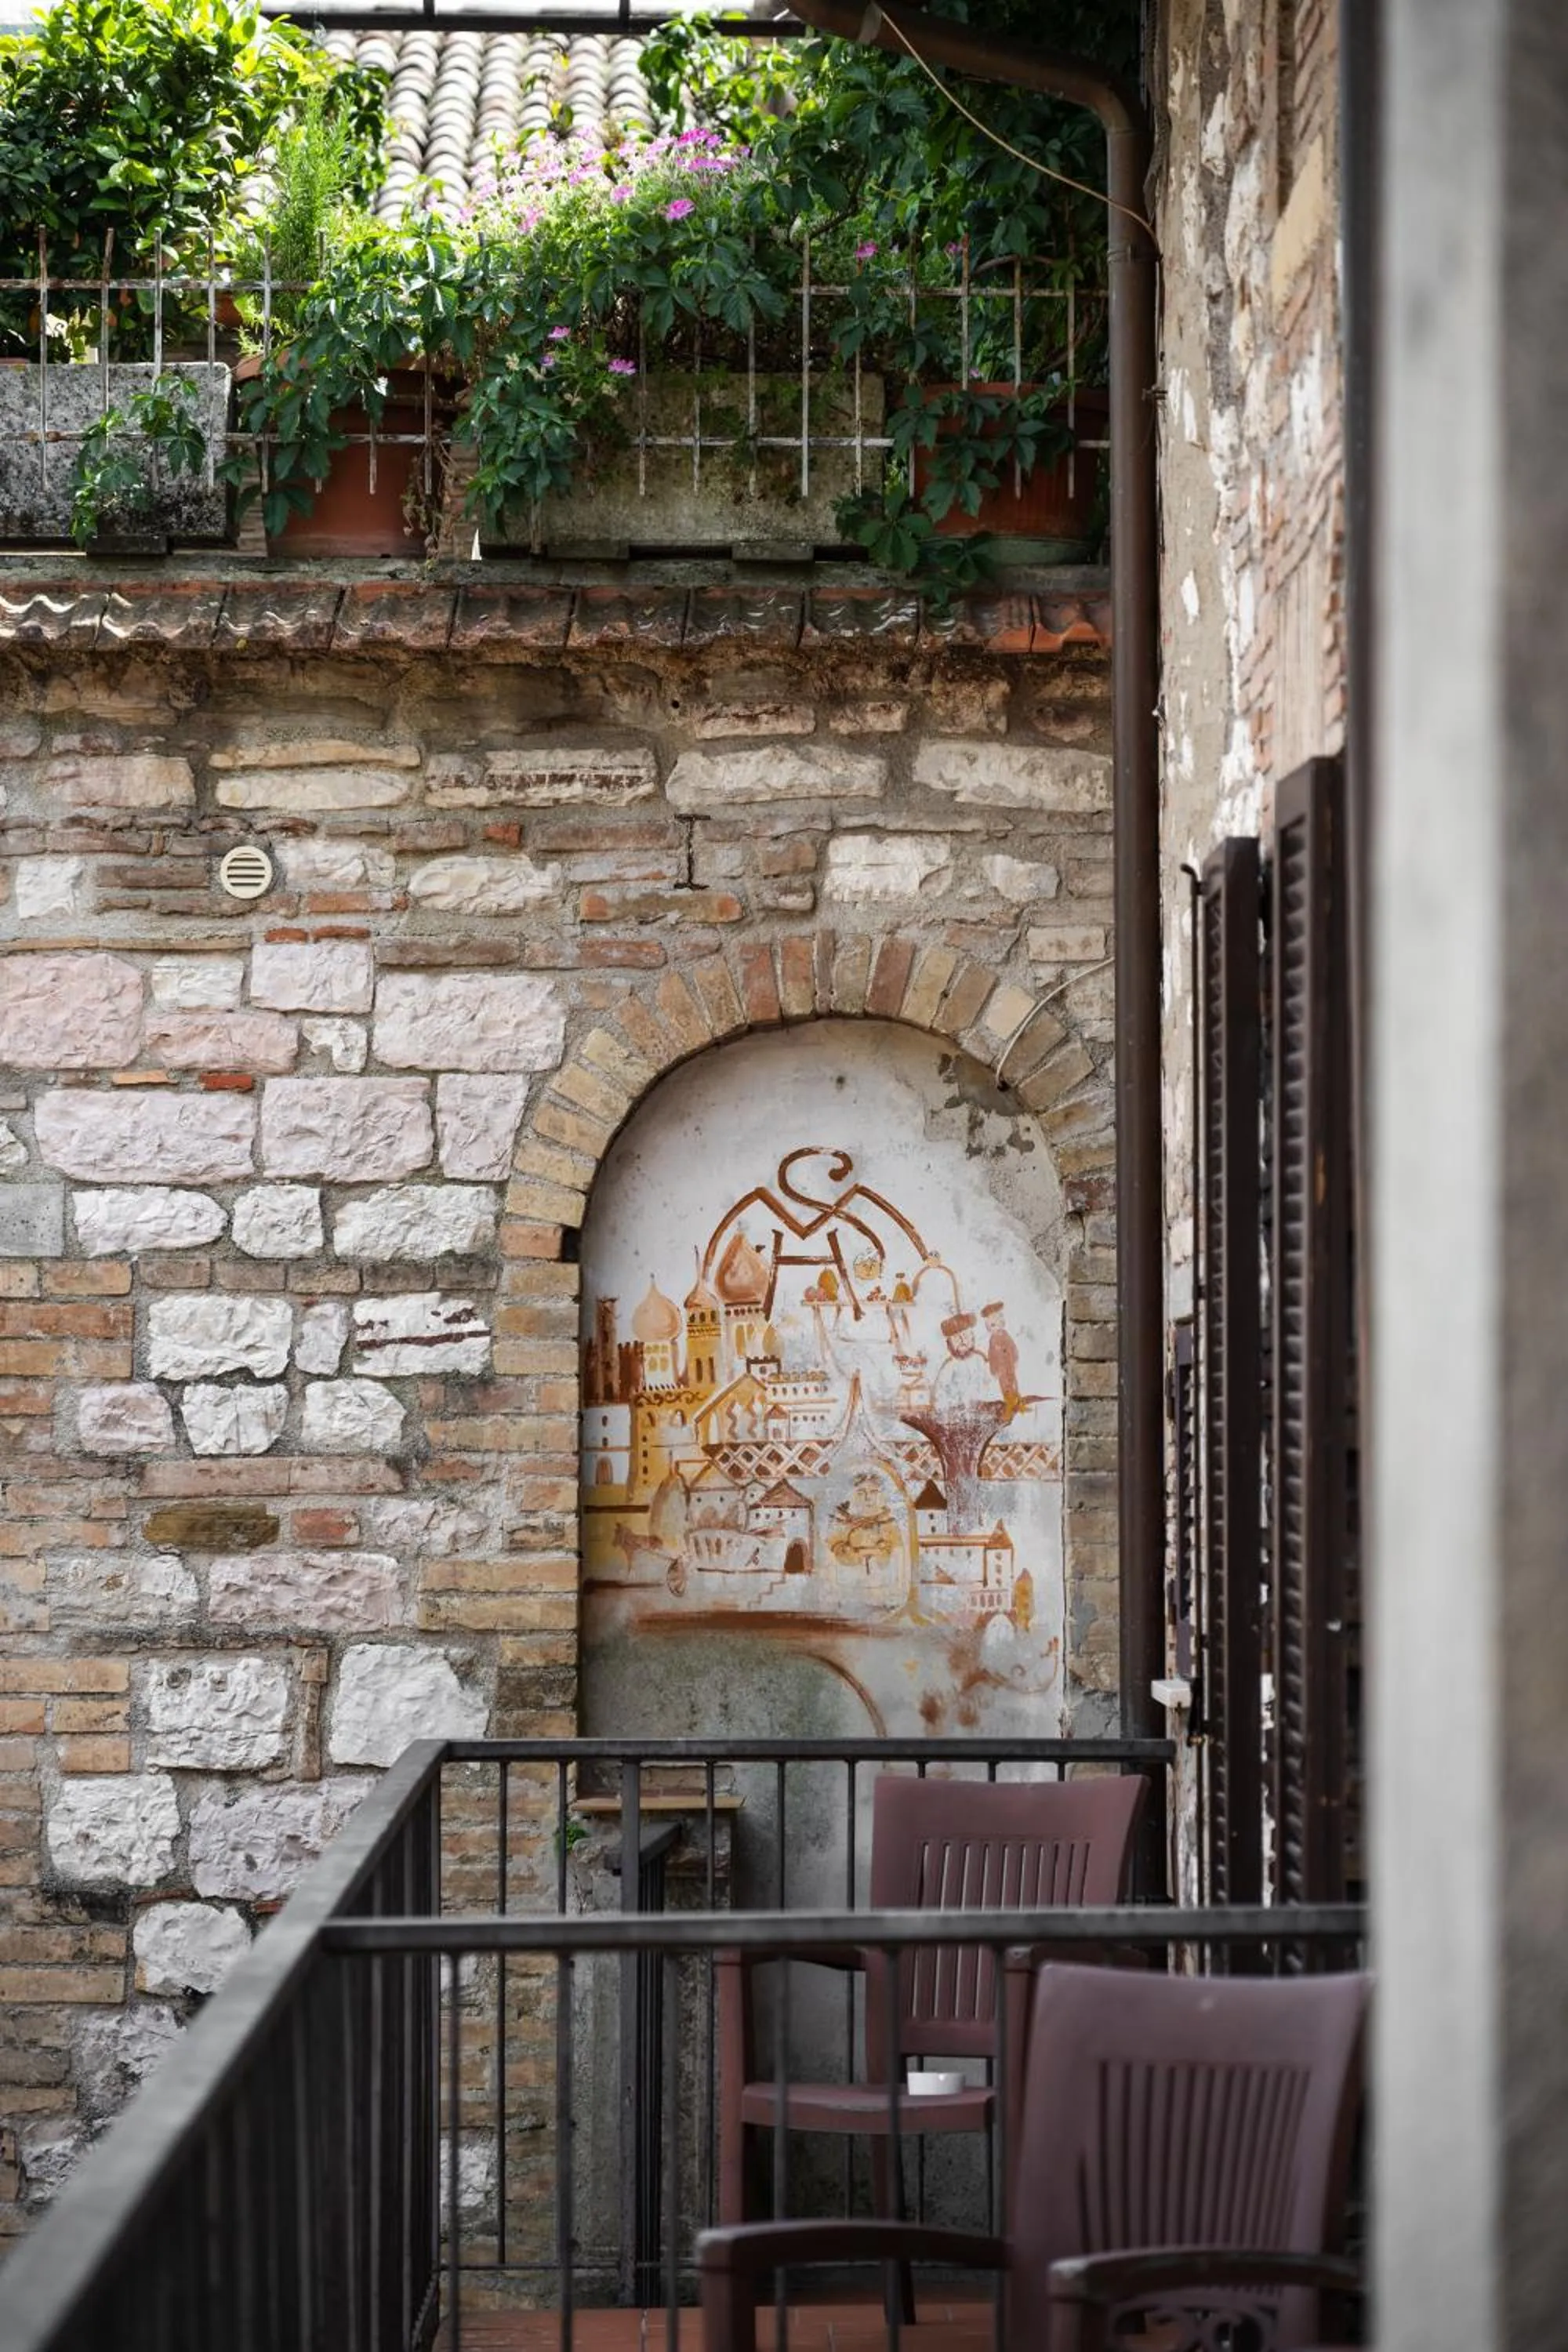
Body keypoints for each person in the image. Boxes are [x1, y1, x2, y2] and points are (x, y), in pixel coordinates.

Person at [982, 1301, 1021, 1414]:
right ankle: (1009, 1404)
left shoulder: (1005, 1335)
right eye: (993, 1325)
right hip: (1001, 1369)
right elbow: (991, 1355)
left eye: (999, 1322)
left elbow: (1013, 1347)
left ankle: (1017, 1401)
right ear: (988, 1327)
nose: (997, 1327)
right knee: (1005, 1386)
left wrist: (1015, 1359)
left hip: (1009, 1364)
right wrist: (994, 1370)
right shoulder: (992, 1340)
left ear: (1002, 1322)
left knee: (1013, 1381)